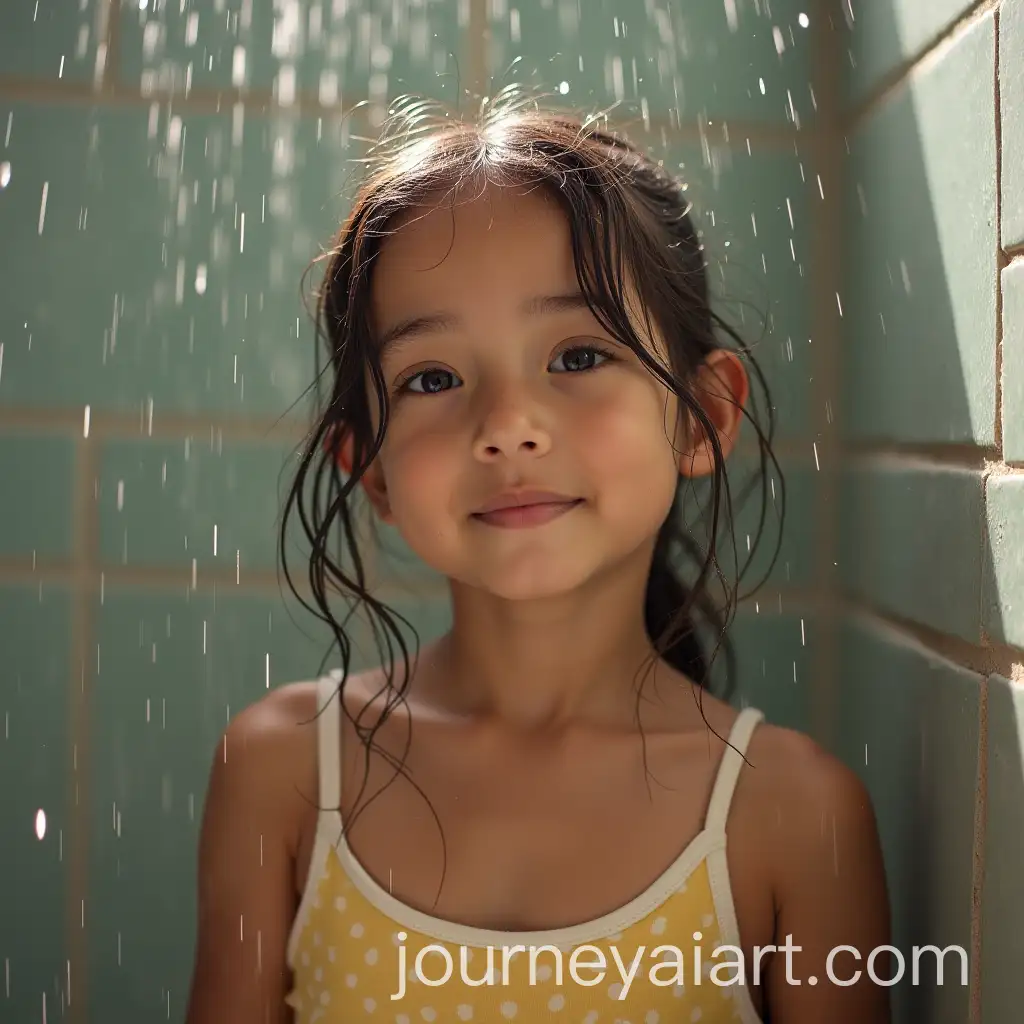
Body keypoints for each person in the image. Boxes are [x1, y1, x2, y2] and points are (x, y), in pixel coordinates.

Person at [185, 90, 891, 1024]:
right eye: (433, 377)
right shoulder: (283, 773)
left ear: (702, 416)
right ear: (373, 469)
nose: (509, 425)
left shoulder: (795, 817)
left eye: (578, 357)